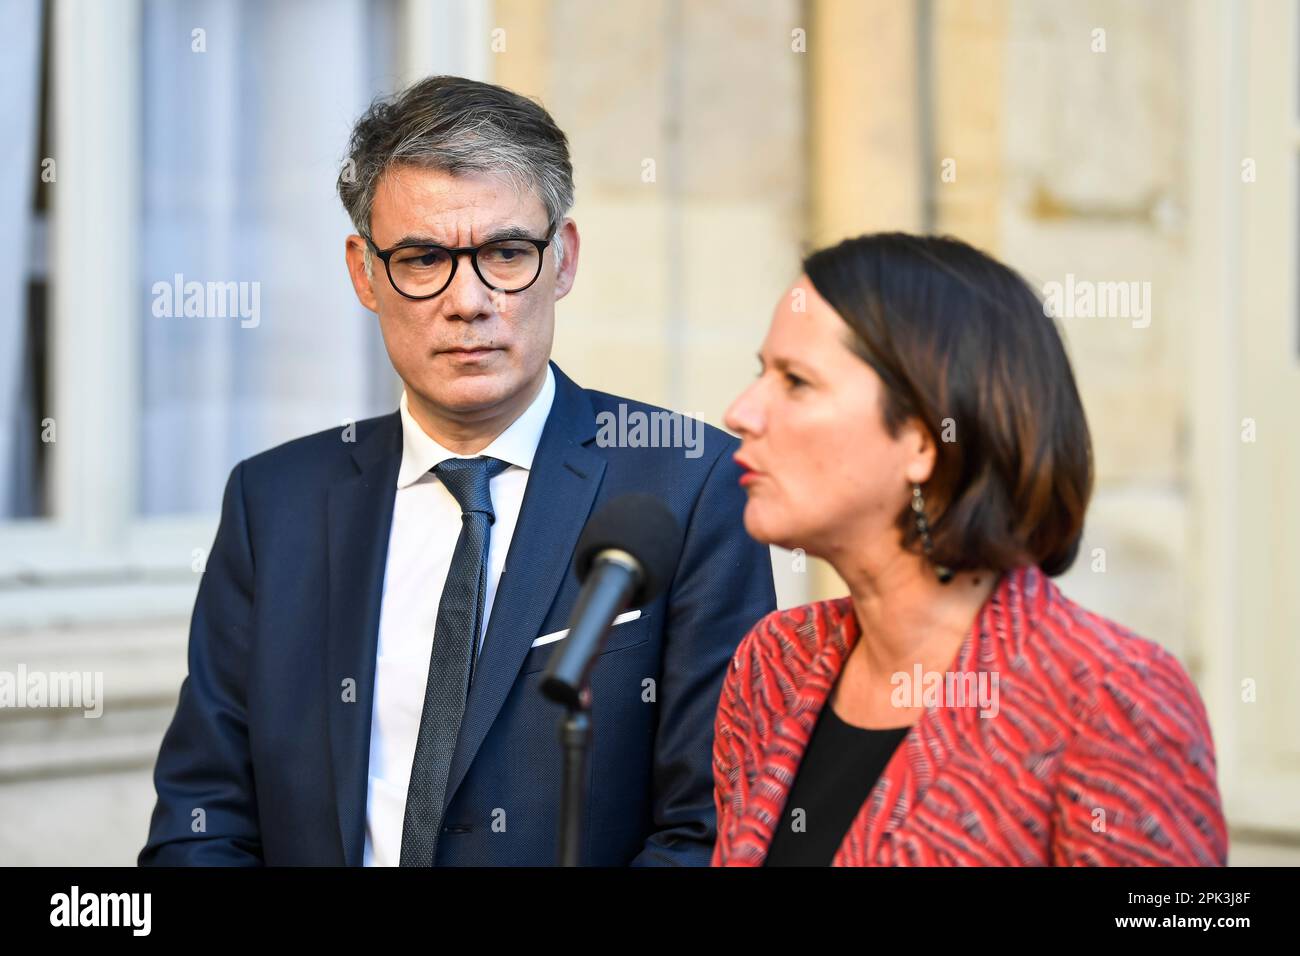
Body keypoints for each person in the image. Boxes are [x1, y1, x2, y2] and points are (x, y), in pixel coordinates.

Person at [139, 76, 775, 866]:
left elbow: (710, 831)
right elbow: (204, 821)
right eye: (423, 258)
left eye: (506, 253)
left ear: (563, 260)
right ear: (364, 273)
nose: (468, 299)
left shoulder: (690, 483)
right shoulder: (273, 504)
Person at [713, 232, 1227, 866]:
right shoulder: (774, 666)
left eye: (796, 381)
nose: (742, 411)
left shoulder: (1111, 698)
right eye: (762, 372)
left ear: (928, 438)